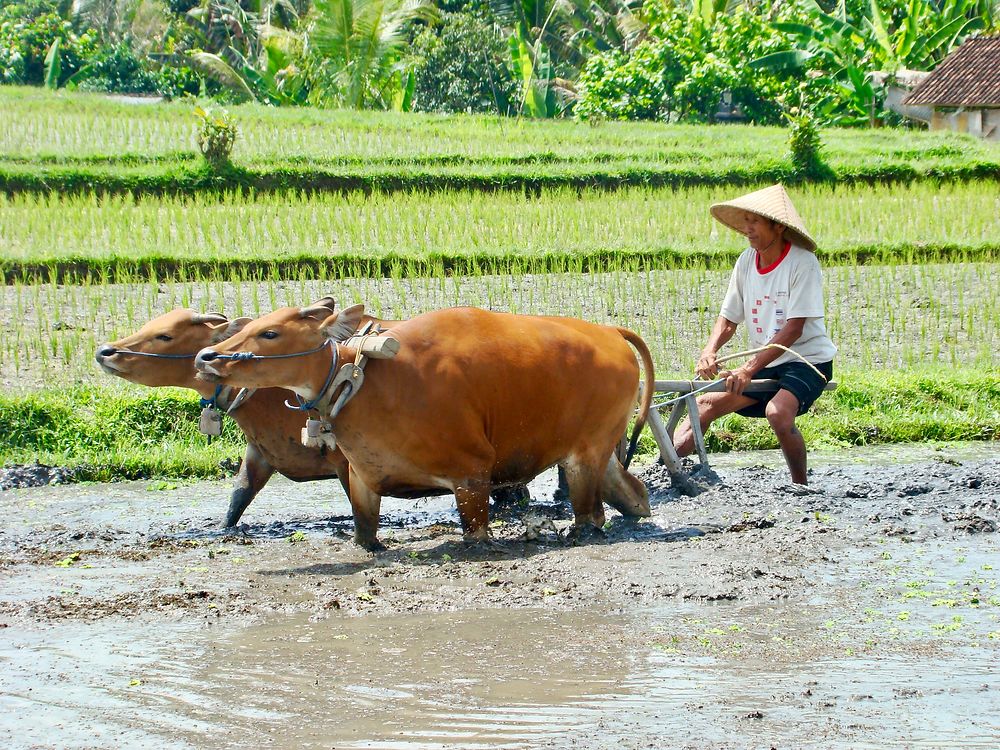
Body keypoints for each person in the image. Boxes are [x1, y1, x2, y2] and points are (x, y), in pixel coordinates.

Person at [674, 184, 837, 485]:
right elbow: (728, 319)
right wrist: (709, 351)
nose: (747, 229)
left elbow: (794, 328)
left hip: (807, 360)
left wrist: (748, 369)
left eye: (755, 222)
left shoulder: (802, 263)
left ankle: (800, 488)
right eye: (745, 221)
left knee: (778, 413)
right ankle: (666, 470)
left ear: (777, 226)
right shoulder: (747, 261)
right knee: (703, 405)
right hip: (765, 361)